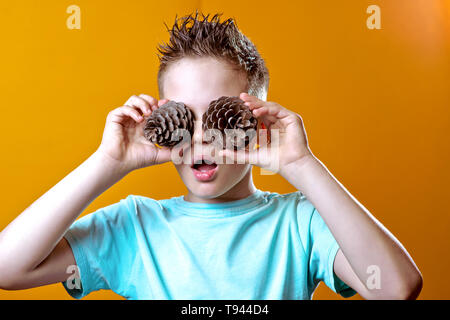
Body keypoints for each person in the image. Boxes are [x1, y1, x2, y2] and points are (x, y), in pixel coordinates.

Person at [0, 11, 422, 300]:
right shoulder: (134, 228)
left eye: (222, 116)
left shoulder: (300, 223)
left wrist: (301, 165)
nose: (201, 138)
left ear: (256, 124)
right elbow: (8, 269)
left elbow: (397, 288)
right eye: (184, 116)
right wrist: (106, 164)